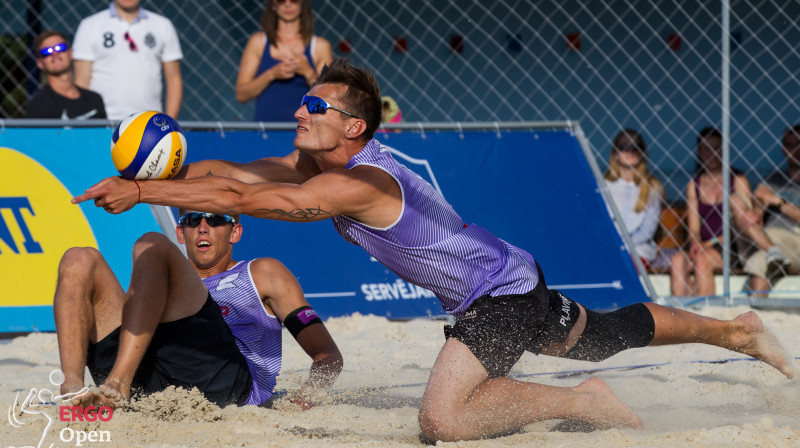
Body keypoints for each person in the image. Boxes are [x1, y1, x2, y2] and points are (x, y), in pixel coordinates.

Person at [74, 59, 796, 442]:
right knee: (603, 334)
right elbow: (231, 179)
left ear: (353, 127)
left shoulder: (359, 182)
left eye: (313, 107)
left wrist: (143, 198)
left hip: (495, 296)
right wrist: (152, 178)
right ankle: (735, 329)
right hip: (508, 275)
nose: (298, 110)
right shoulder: (327, 163)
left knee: (443, 421)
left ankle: (587, 405)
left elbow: (256, 204)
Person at [54, 210, 341, 408]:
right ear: (181, 232)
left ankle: (118, 382)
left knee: (150, 243)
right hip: (151, 373)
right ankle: (73, 391)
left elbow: (328, 356)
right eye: (192, 220)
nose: (202, 227)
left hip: (224, 384)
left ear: (235, 232)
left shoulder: (262, 272)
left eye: (216, 219)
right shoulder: (160, 279)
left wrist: (309, 396)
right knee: (78, 259)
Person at [670, 127, 788, 297]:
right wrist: (696, 243)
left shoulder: (738, 179)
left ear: (724, 150)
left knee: (703, 261)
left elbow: (744, 225)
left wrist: (708, 244)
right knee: (677, 261)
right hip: (704, 246)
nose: (711, 153)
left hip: (731, 246)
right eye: (706, 149)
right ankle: (678, 315)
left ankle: (703, 316)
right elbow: (694, 228)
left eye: (716, 148)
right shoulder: (693, 185)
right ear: (699, 152)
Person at [72, 0, 183, 120]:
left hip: (149, 122)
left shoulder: (163, 25)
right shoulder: (90, 25)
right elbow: (82, 83)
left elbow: (174, 81)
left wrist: (168, 123)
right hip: (102, 122)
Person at [235, 0, 333, 122]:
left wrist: (307, 72)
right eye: (281, 0)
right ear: (274, 4)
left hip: (306, 133)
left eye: (294, 0)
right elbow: (241, 95)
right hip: (265, 132)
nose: (287, 4)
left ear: (303, 3)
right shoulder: (258, 42)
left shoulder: (319, 46)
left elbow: (330, 100)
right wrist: (271, 74)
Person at [742, 125, 800, 295]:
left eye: (799, 143)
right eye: (790, 145)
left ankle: (752, 317)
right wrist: (758, 208)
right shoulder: (773, 179)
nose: (795, 149)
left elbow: (771, 199)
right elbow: (757, 206)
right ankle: (771, 250)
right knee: (736, 202)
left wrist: (777, 201)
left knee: (761, 261)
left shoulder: (774, 189)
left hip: (795, 240)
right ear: (783, 150)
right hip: (765, 240)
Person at [603, 129, 663, 269]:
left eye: (636, 147)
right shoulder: (603, 186)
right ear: (615, 153)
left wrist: (623, 245)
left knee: (623, 266)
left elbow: (647, 231)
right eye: (623, 146)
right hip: (608, 249)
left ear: (642, 153)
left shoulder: (652, 188)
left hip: (638, 250)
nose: (630, 151)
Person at [26, 30, 107, 120]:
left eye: (61, 48)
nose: (55, 54)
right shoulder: (39, 105)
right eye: (46, 52)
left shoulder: (95, 99)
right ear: (40, 63)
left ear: (71, 53)